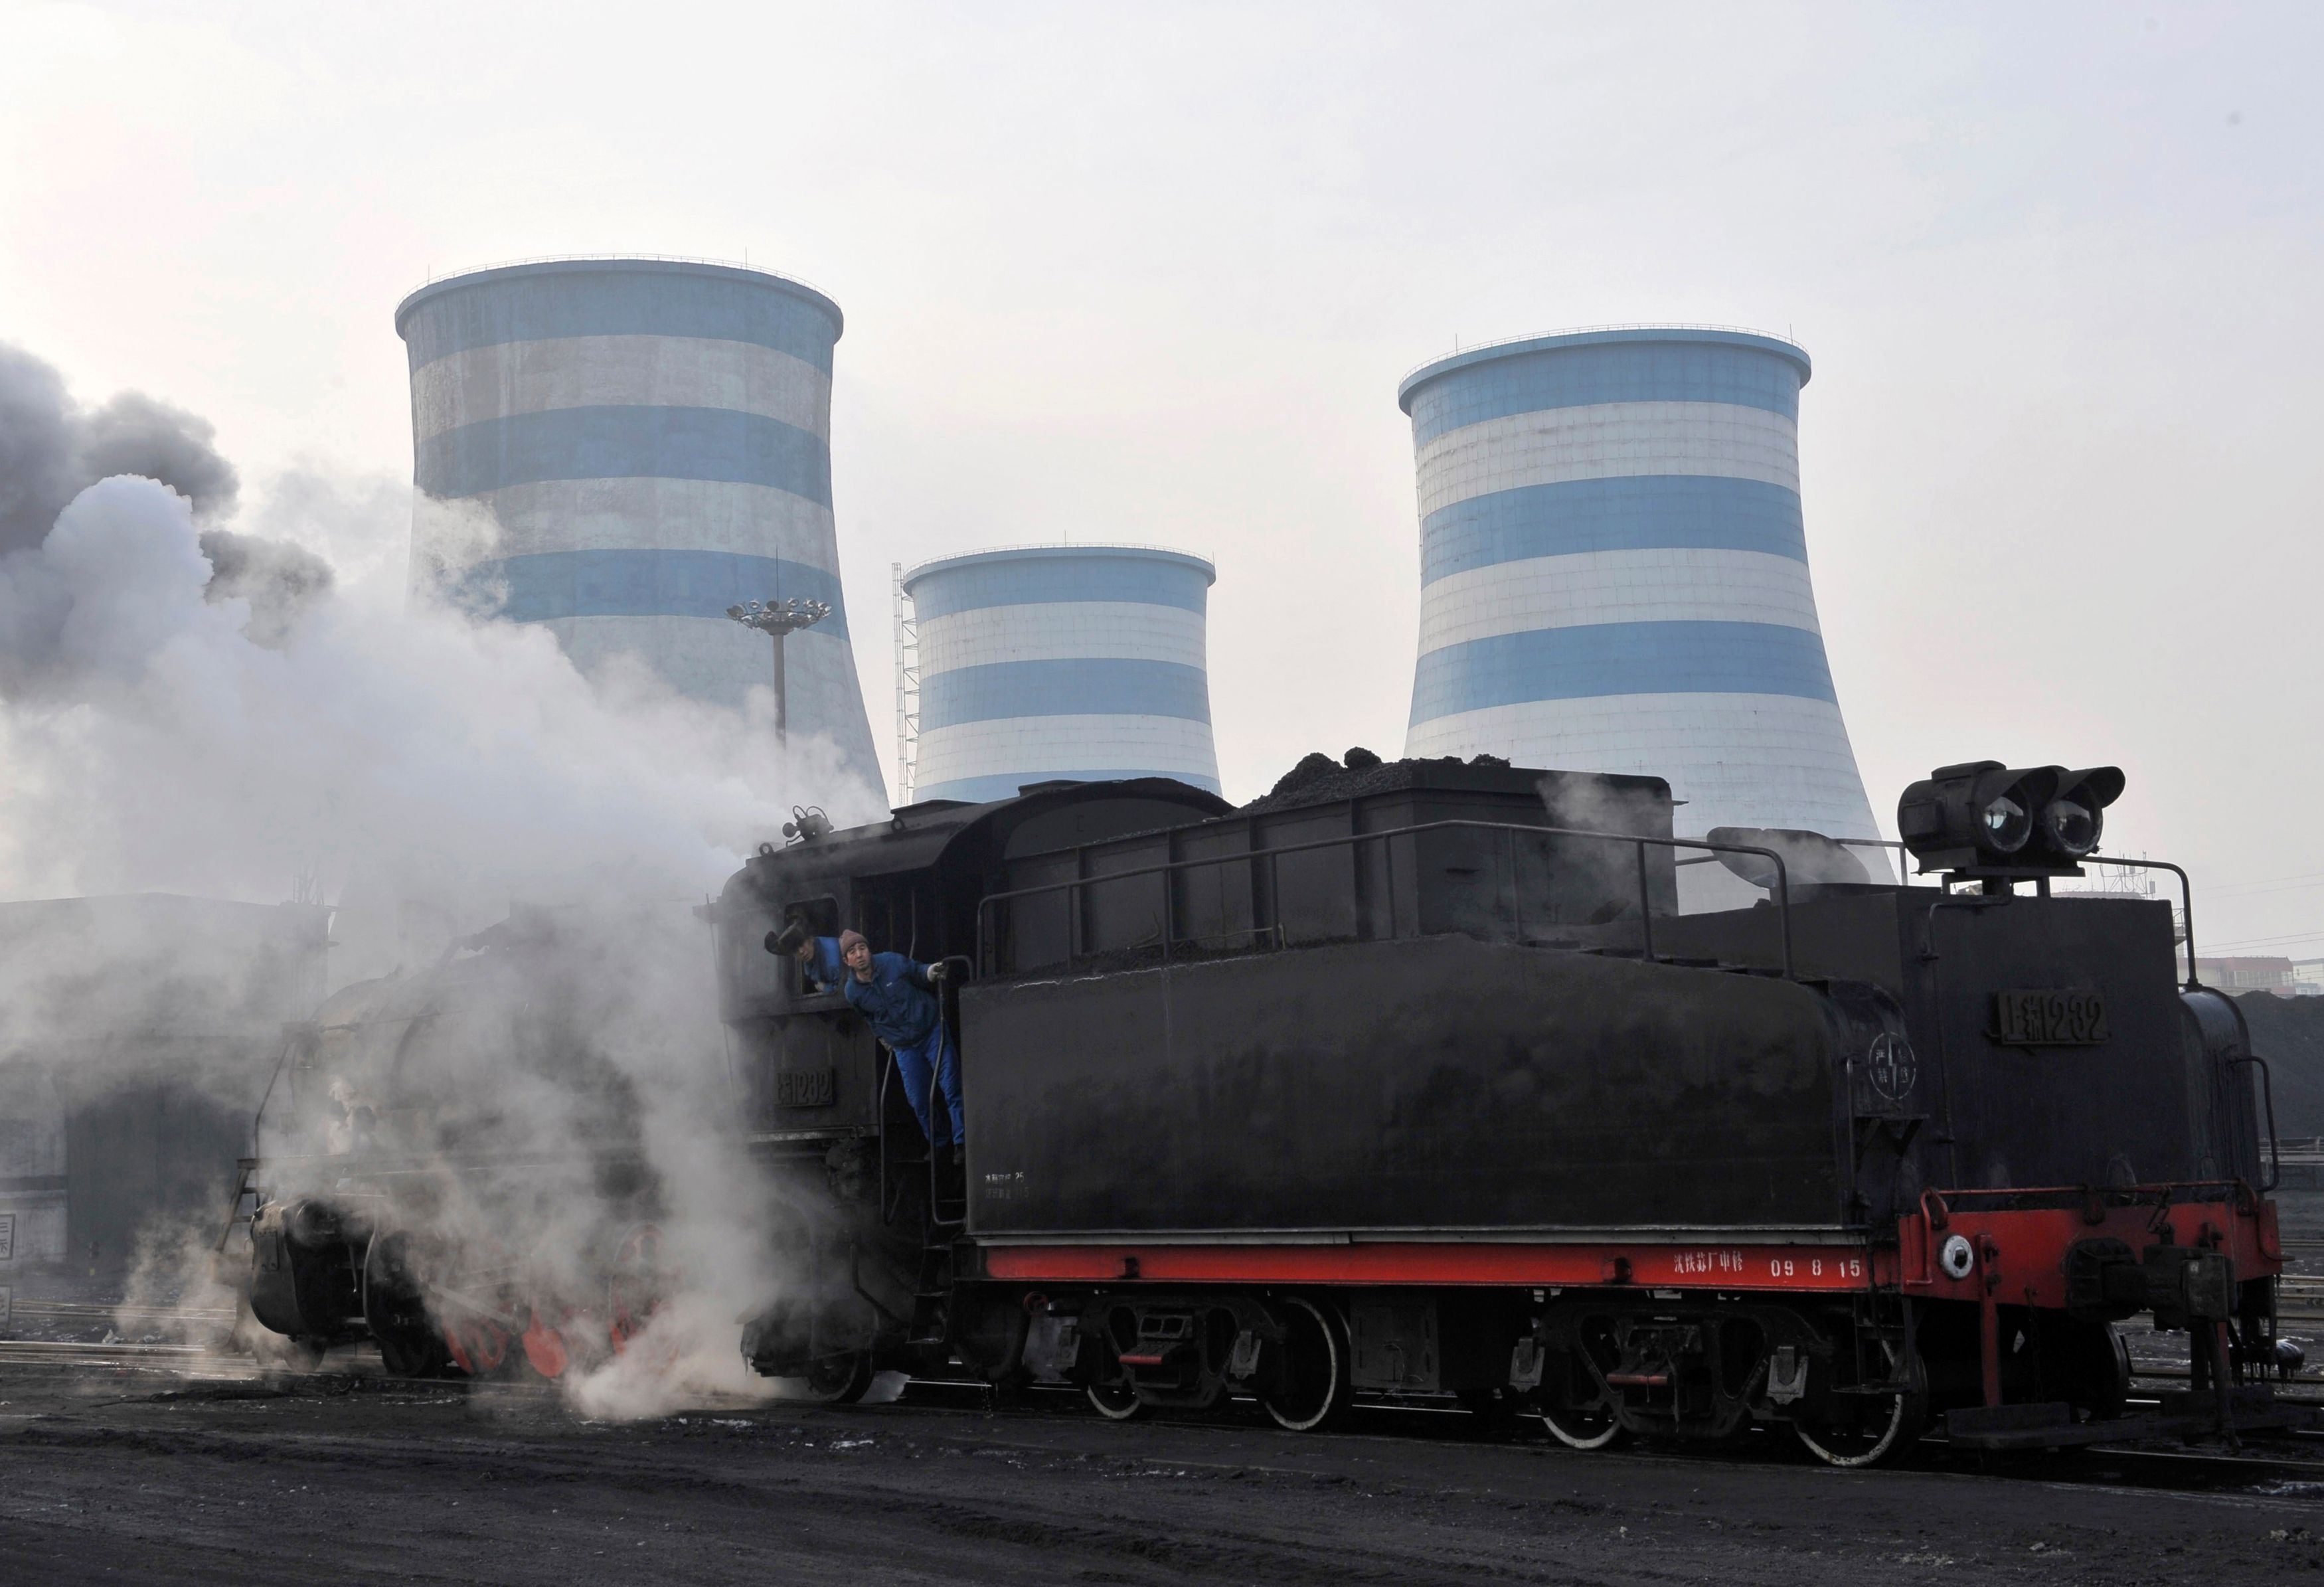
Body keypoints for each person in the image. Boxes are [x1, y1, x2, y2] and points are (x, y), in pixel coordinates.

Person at [769, 923, 962, 1157]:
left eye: (862, 948)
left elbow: (916, 971)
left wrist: (931, 971)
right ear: (846, 961)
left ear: (869, 951)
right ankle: (940, 1145)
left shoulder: (891, 961)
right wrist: (882, 1037)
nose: (859, 954)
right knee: (919, 1100)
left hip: (931, 1030)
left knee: (951, 1086)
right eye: (852, 952)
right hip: (903, 1045)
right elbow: (869, 1018)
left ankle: (961, 1143)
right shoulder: (853, 992)